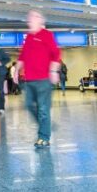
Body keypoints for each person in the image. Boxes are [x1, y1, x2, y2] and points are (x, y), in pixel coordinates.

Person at [17, 9, 61, 149]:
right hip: (29, 79)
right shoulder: (29, 37)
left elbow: (56, 54)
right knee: (29, 105)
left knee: (43, 109)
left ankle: (44, 137)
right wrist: (16, 71)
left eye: (34, 16)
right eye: (30, 17)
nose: (30, 19)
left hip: (44, 79)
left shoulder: (47, 35)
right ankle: (46, 125)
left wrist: (53, 71)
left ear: (41, 20)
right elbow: (22, 56)